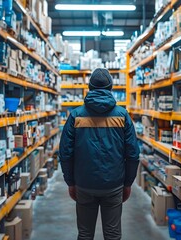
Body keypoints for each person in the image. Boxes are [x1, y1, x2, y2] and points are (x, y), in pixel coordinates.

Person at [59, 68, 140, 240]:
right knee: (112, 235)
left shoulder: (76, 115)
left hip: (84, 184)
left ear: (89, 87)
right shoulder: (122, 115)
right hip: (114, 184)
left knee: (85, 234)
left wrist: (71, 182)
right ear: (111, 88)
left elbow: (65, 153)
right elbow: (133, 154)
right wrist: (128, 183)